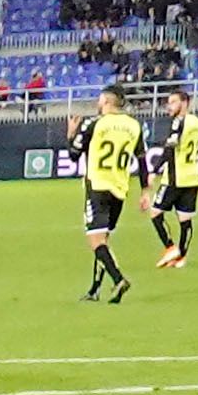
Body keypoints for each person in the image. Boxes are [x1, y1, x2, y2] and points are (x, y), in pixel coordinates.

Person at [80, 84, 144, 302]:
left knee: (96, 240)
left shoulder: (95, 123)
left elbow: (73, 153)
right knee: (104, 239)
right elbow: (142, 159)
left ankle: (118, 279)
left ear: (106, 101)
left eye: (100, 100)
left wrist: (71, 134)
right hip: (119, 189)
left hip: (97, 185)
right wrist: (145, 190)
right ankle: (95, 289)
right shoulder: (134, 126)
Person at [155, 93, 198, 269]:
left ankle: (170, 247)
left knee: (156, 213)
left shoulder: (180, 121)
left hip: (175, 177)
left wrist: (155, 169)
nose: (169, 106)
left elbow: (170, 148)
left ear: (185, 103)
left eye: (173, 102)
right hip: (192, 176)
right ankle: (181, 257)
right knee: (185, 219)